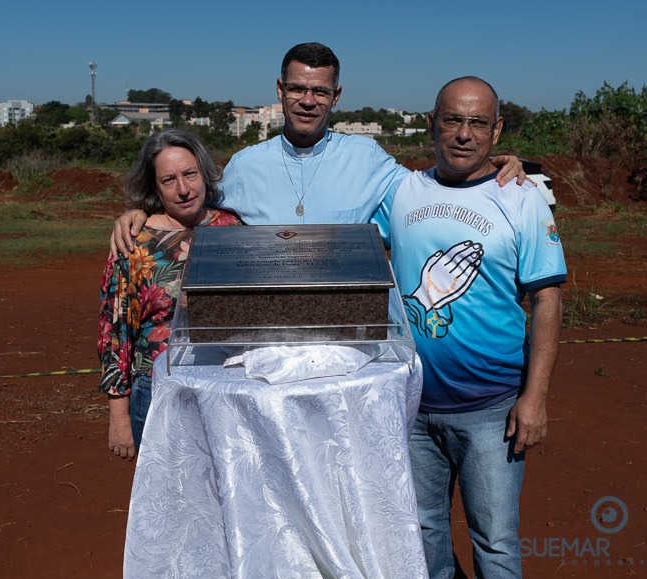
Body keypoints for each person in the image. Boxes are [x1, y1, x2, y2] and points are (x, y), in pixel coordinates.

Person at [371, 76, 566, 579]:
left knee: (496, 542)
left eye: (478, 122)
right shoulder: (401, 192)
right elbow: (337, 234)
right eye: (452, 120)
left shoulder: (522, 200)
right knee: (423, 531)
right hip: (411, 406)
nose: (463, 133)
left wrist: (536, 397)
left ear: (496, 130)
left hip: (492, 409)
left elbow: (547, 300)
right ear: (431, 124)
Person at [109, 42, 526, 255]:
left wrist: (493, 168)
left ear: (337, 95)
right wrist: (141, 213)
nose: (308, 101)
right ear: (280, 89)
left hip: (341, 334)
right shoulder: (243, 166)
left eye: (320, 91)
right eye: (297, 88)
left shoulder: (368, 159)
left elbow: (433, 189)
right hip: (265, 332)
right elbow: (191, 207)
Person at [96, 129, 241, 460]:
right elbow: (115, 333)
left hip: (226, 388)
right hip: (158, 391)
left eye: (190, 174)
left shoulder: (234, 228)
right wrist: (118, 419)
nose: (184, 189)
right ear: (154, 188)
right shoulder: (134, 244)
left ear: (204, 172)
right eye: (168, 180)